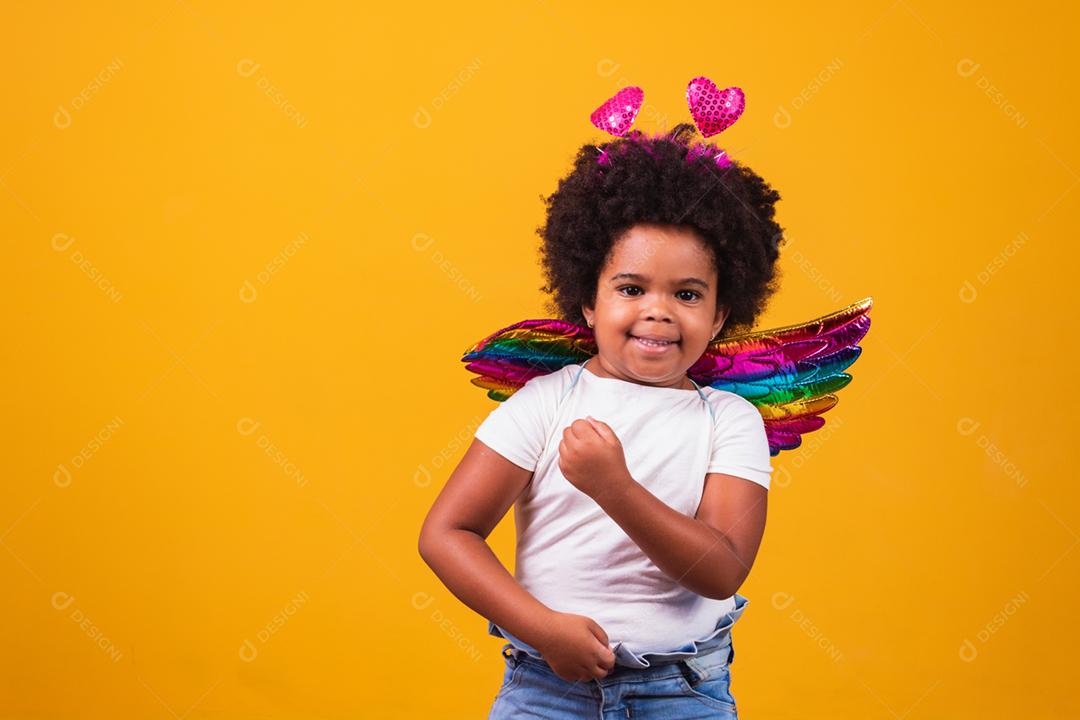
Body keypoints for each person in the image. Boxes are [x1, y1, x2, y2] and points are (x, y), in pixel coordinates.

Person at [419, 82, 784, 718]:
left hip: (682, 693)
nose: (658, 311)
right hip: (545, 688)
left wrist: (613, 486)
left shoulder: (729, 421)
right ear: (588, 300)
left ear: (724, 313)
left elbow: (721, 571)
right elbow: (447, 533)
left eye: (689, 294)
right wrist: (541, 628)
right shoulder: (543, 404)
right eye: (631, 287)